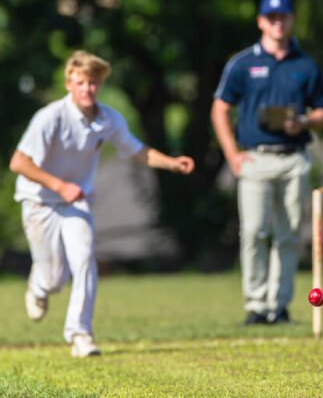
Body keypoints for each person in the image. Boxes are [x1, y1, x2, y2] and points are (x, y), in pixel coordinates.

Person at [9, 50, 195, 358]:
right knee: (55, 279)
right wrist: (59, 185)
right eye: (81, 82)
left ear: (100, 85)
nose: (87, 89)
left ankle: (81, 334)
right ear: (69, 84)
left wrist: (171, 163)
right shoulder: (50, 117)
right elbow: (19, 162)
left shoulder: (108, 118)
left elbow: (137, 150)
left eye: (93, 83)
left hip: (77, 200)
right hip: (39, 199)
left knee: (84, 259)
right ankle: (40, 284)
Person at [211, 0, 323, 325]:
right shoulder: (243, 63)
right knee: (254, 232)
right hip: (255, 159)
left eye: (283, 17)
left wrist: (302, 122)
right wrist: (232, 154)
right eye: (271, 18)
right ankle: (256, 305)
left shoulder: (305, 65)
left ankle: (279, 306)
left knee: (289, 234)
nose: (278, 23)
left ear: (291, 20)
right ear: (262, 21)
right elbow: (220, 108)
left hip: (294, 158)